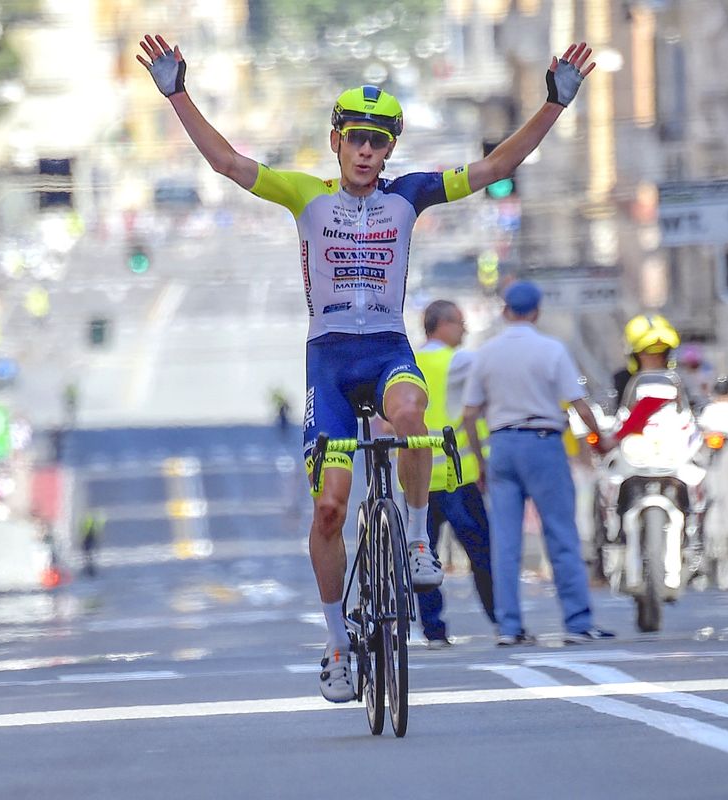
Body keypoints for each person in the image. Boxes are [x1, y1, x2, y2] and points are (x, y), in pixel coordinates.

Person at [138, 33, 596, 700]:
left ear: (389, 151)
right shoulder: (305, 195)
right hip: (328, 361)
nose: (365, 151)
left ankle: (415, 542)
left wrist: (554, 104)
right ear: (335, 141)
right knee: (328, 512)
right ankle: (336, 645)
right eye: (355, 138)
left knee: (410, 414)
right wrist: (177, 93)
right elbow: (229, 164)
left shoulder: (409, 195)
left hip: (387, 351)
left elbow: (496, 166)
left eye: (378, 142)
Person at [462, 281, 615, 646]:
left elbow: (469, 414)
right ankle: (577, 622)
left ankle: (509, 627)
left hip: (501, 445)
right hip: (543, 443)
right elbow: (578, 404)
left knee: (506, 542)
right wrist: (600, 439)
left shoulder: (485, 353)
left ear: (505, 311)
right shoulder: (552, 350)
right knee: (561, 534)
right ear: (537, 311)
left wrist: (480, 459)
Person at [413, 301, 497, 648]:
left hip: (417, 479)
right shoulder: (460, 361)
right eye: (460, 323)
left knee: (423, 557)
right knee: (482, 554)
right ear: (442, 324)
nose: (464, 331)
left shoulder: (410, 363)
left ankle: (434, 630)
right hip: (457, 475)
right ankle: (502, 620)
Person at [613, 314, 681, 409]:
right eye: (649, 351)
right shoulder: (621, 380)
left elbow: (692, 408)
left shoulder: (677, 379)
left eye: (662, 351)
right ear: (634, 355)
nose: (656, 357)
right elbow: (615, 413)